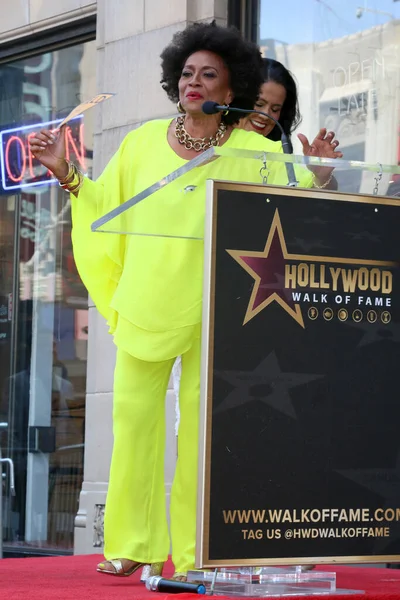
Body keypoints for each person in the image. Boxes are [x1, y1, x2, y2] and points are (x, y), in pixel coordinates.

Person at [29, 22, 334, 581]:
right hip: (149, 303)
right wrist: (67, 174)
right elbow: (107, 206)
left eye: (209, 75)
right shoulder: (142, 142)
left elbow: (294, 205)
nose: (195, 82)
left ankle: (197, 553)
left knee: (201, 433)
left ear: (230, 89)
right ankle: (131, 543)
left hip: (216, 314)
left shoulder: (254, 150)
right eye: (188, 73)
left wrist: (315, 176)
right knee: (133, 422)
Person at [239, 58, 343, 188]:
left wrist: (322, 176)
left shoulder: (275, 153)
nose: (265, 115)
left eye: (275, 109)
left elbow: (305, 194)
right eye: (259, 104)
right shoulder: (213, 140)